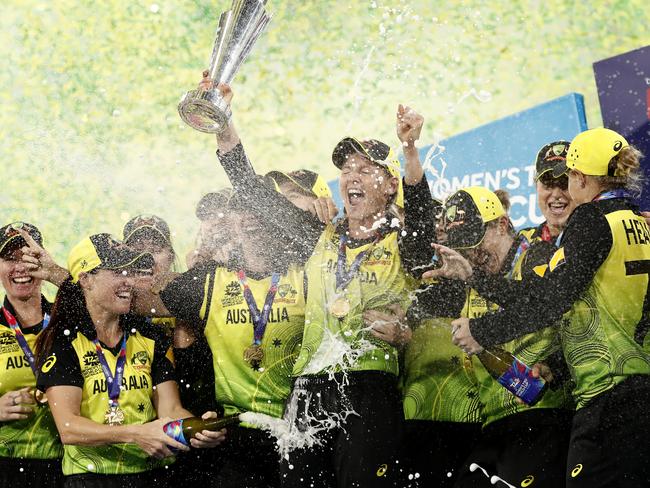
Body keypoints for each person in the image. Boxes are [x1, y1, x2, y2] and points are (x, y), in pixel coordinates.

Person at [209, 78, 434, 485]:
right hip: (308, 387)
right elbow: (251, 187)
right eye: (347, 169)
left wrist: (410, 151)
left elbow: (421, 217)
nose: (352, 176)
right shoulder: (318, 235)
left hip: (368, 385)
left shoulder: (403, 242)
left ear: (389, 185)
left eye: (366, 170)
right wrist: (224, 124)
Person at [438, 128, 650, 487]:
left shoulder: (592, 220)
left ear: (581, 178)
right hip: (635, 390)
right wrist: (559, 366)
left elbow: (549, 302)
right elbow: (613, 311)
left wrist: (482, 331)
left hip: (607, 398)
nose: (562, 189)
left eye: (567, 177)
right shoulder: (635, 223)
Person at [35, 234, 224, 488]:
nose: (128, 281)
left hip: (153, 475)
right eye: (116, 272)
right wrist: (135, 434)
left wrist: (197, 427)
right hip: (92, 479)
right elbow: (68, 427)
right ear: (86, 279)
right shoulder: (63, 341)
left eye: (129, 271)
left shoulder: (150, 335)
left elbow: (170, 410)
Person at [424, 187, 572, 487]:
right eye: (463, 245)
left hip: (546, 416)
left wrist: (479, 330)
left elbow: (539, 307)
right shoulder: (468, 273)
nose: (472, 253)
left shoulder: (537, 252)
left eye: (477, 241)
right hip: (494, 424)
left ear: (502, 224)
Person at [123, 214, 218, 485]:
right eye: (136, 248)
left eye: (155, 249)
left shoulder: (197, 295)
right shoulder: (116, 312)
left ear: (171, 255)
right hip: (142, 449)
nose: (145, 257)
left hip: (199, 434)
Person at [399, 200, 484, 488]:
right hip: (416, 410)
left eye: (443, 223)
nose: (438, 229)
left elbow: (452, 300)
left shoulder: (469, 268)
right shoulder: (408, 269)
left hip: (469, 410)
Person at [0, 222, 63, 487]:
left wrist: (56, 273)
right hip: (6, 467)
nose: (21, 267)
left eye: (29, 257)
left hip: (68, 464)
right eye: (10, 259)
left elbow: (97, 293)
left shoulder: (67, 323)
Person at [519, 140, 575, 244]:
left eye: (565, 184)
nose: (556, 194)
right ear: (536, 187)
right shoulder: (523, 241)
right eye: (548, 185)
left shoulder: (600, 237)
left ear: (582, 186)